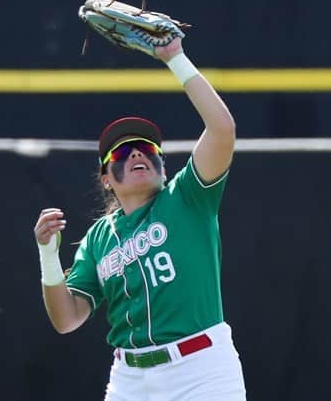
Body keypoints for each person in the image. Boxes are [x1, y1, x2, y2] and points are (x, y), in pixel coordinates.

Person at [34, 37, 247, 401]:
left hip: (201, 370)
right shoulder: (98, 239)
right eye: (122, 152)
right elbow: (67, 319)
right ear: (106, 178)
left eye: (148, 148)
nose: (137, 153)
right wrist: (48, 256)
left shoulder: (186, 197)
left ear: (163, 166)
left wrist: (175, 58)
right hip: (130, 379)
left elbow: (222, 129)